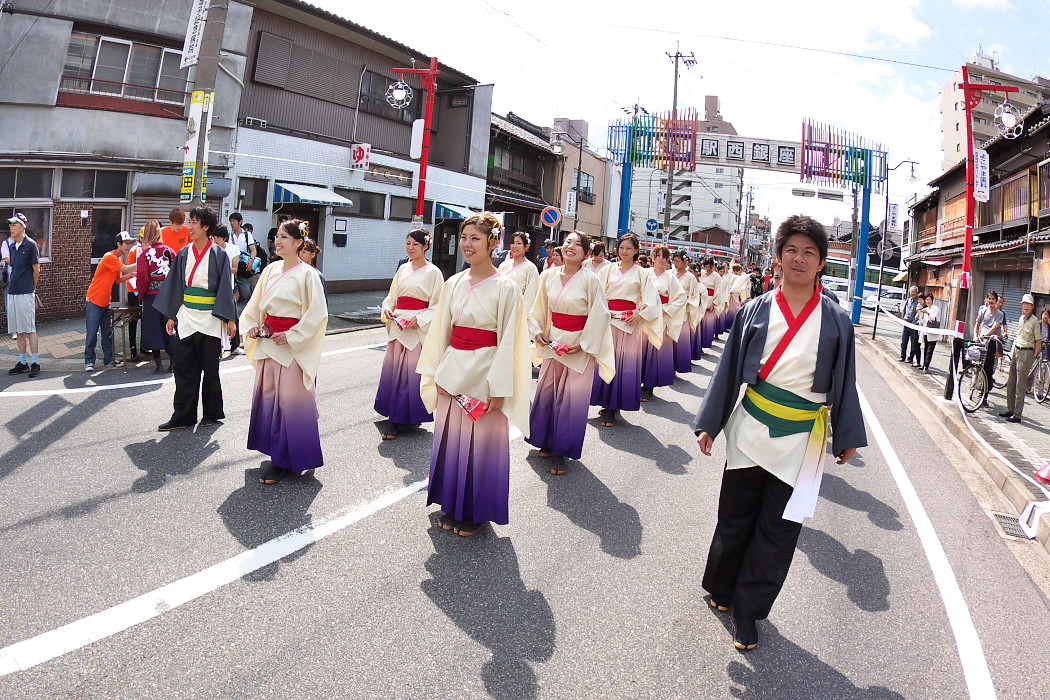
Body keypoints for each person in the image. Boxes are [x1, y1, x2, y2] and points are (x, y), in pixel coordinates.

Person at [693, 214, 866, 651]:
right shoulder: (755, 308)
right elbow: (729, 368)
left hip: (802, 439)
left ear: (823, 262)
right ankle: (723, 586)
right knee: (734, 517)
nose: (800, 259)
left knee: (778, 532)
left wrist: (845, 435)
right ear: (778, 257)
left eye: (810, 252)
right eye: (792, 250)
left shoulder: (837, 320)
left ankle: (749, 615)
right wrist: (710, 423)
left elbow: (845, 382)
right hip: (751, 426)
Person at [417, 212, 531, 536]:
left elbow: (509, 340)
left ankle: (476, 510)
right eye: (464, 238)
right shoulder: (454, 282)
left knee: (481, 445)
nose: (467, 244)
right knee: (452, 438)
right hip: (453, 370)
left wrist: (500, 386)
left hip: (485, 372)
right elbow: (442, 330)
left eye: (475, 239)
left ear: (492, 243)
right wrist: (435, 371)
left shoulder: (507, 288)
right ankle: (451, 503)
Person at [241, 219, 329, 483]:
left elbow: (317, 314)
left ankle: (286, 460)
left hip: (289, 344)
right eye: (277, 236)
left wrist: (292, 335)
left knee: (290, 403)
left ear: (299, 242)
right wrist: (254, 327)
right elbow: (256, 305)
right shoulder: (270, 270)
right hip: (270, 341)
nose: (278, 241)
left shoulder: (308, 274)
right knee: (270, 398)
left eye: (285, 238)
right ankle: (275, 453)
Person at [527, 231, 614, 473]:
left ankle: (561, 452)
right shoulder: (548, 275)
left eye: (578, 245)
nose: (570, 247)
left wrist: (585, 344)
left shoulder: (591, 280)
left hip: (578, 345)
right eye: (567, 242)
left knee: (570, 401)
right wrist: (537, 333)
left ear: (586, 253)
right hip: (553, 342)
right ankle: (543, 440)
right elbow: (538, 309)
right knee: (547, 392)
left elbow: (600, 315)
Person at [153, 205, 238, 431]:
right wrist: (172, 315)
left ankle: (211, 413)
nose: (189, 226)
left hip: (211, 318)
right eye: (189, 222)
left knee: (210, 370)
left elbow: (225, 290)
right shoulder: (183, 253)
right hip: (188, 317)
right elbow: (176, 285)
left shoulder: (219, 255)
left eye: (193, 222)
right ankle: (183, 416)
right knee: (184, 369)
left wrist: (230, 319)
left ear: (206, 226)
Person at [376, 229, 445, 440]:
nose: (410, 248)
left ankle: (398, 419)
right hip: (398, 324)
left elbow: (438, 305)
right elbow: (391, 296)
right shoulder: (403, 269)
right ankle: (395, 413)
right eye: (408, 243)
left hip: (415, 327)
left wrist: (421, 319)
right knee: (394, 371)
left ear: (425, 246)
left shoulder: (433, 272)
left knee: (411, 374)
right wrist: (388, 309)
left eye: (415, 244)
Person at [591, 233, 662, 427]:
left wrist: (641, 313)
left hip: (628, 322)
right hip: (608, 320)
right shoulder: (607, 270)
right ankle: (604, 402)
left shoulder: (642, 273)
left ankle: (613, 408)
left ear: (636, 251)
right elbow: (596, 293)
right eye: (621, 247)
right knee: (605, 360)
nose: (624, 252)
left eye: (629, 248)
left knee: (623, 365)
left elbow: (652, 299)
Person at [84, 231, 137, 371]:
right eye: (126, 243)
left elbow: (118, 279)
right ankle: (89, 361)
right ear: (118, 244)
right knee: (92, 333)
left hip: (104, 301)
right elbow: (125, 268)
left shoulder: (116, 260)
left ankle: (109, 360)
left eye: (130, 243)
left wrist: (131, 275)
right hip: (94, 300)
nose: (128, 246)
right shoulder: (109, 257)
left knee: (107, 333)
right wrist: (141, 262)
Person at [640, 245, 686, 401]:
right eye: (658, 255)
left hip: (660, 317)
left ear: (667, 260)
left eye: (664, 256)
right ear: (653, 257)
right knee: (640, 351)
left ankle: (648, 387)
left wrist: (666, 310)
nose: (661, 258)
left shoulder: (670, 277)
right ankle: (636, 383)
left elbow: (681, 297)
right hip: (644, 315)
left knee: (654, 352)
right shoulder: (644, 273)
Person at [135, 220, 177, 373]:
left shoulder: (145, 255)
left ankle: (158, 365)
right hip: (168, 297)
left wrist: (141, 294)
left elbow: (142, 277)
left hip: (152, 297)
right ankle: (172, 363)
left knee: (153, 328)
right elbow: (177, 274)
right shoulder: (171, 252)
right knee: (170, 327)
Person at [4, 213, 41, 377]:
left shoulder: (31, 245)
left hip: (26, 292)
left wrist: (31, 287)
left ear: (23, 226)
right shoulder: (11, 246)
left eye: (14, 224)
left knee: (29, 329)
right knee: (18, 330)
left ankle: (36, 363)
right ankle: (23, 362)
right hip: (12, 291)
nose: (11, 227)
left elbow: (36, 270)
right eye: (10, 225)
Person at [999, 293, 1041, 423]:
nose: (1026, 306)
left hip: (1026, 353)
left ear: (1032, 306)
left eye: (1028, 304)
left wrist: (1033, 356)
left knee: (1020, 385)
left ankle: (1017, 415)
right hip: (1016, 350)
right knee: (1011, 382)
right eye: (1024, 303)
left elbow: (1038, 341)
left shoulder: (1035, 321)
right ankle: (1010, 409)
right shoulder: (1021, 318)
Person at [212, 226, 242, 356]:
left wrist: (223, 269)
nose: (216, 240)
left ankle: (235, 345)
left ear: (224, 238)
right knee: (216, 318)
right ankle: (218, 347)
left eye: (218, 237)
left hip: (228, 288)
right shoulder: (211, 249)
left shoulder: (233, 249)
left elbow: (235, 269)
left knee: (233, 316)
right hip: (214, 288)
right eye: (214, 237)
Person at [497, 231, 540, 314]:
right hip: (500, 308)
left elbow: (530, 296)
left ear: (526, 247)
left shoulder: (530, 268)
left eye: (519, 243)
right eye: (513, 243)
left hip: (517, 311)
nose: (515, 246)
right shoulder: (503, 265)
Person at [673, 250, 700, 372]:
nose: (675, 264)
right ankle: (668, 366)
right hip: (670, 310)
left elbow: (695, 296)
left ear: (685, 262)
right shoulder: (670, 274)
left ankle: (679, 365)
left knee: (681, 340)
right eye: (674, 261)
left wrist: (685, 302)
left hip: (683, 310)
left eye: (678, 261)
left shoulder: (690, 278)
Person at [975, 290, 1004, 390]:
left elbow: (995, 327)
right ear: (987, 300)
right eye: (989, 298)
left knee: (988, 370)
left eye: (993, 299)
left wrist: (985, 335)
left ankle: (985, 394)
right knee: (976, 364)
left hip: (991, 343)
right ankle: (975, 385)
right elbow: (977, 324)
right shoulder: (983, 311)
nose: (991, 301)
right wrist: (976, 336)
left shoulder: (999, 314)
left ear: (996, 301)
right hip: (982, 342)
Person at [229, 212, 259, 306]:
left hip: (242, 266)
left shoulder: (247, 235)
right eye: (231, 221)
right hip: (232, 265)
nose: (232, 223)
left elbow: (253, 249)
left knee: (245, 290)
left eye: (234, 221)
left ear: (240, 222)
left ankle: (245, 306)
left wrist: (251, 259)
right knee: (233, 287)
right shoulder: (229, 236)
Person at [698, 257, 720, 350]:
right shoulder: (702, 274)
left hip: (710, 299)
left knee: (708, 324)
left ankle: (705, 343)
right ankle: (698, 345)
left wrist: (714, 304)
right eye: (706, 266)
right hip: (701, 298)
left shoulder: (716, 276)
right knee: (699, 323)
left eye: (710, 267)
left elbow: (718, 291)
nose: (708, 269)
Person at [918, 293, 940, 373]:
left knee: (930, 350)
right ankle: (924, 364)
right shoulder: (926, 308)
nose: (928, 301)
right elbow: (923, 320)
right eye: (926, 300)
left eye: (929, 300)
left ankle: (926, 366)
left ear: (932, 300)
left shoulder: (935, 308)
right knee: (925, 349)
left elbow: (934, 318)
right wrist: (921, 314)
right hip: (926, 332)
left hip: (933, 332)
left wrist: (927, 313)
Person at [899, 286, 921, 365]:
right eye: (911, 291)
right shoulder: (908, 300)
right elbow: (904, 310)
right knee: (904, 342)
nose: (912, 293)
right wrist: (904, 318)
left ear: (917, 292)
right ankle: (902, 356)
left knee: (914, 344)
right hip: (906, 323)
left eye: (914, 291)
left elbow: (919, 314)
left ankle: (910, 358)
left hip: (914, 325)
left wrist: (914, 322)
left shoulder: (918, 302)